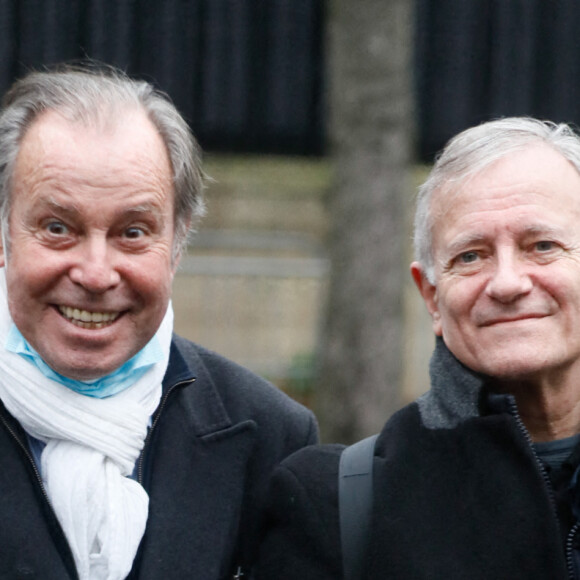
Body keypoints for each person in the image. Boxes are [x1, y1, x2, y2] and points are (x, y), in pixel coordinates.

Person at [0, 63, 318, 580]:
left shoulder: (272, 440)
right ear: (5, 235)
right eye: (58, 227)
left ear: (177, 244)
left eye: (132, 232)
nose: (96, 273)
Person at [254, 117, 580, 579]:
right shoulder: (337, 506)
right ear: (431, 296)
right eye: (471, 256)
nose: (507, 283)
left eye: (542, 245)